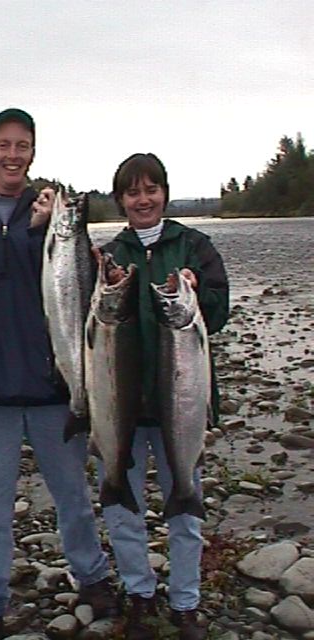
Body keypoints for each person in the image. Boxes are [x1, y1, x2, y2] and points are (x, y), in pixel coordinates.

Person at [0, 108, 118, 640]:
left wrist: (44, 230)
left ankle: (92, 576)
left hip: (55, 387)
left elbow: (79, 286)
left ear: (33, 151)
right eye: (2, 145)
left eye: (21, 145)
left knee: (73, 494)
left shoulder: (53, 213)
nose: (12, 154)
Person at [98, 152, 229, 640]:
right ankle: (139, 593)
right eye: (133, 192)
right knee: (121, 506)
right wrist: (104, 286)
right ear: (121, 201)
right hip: (123, 406)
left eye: (151, 189)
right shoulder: (110, 255)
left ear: (165, 194)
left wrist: (196, 290)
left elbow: (218, 311)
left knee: (186, 501)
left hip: (184, 406)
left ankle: (185, 602)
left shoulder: (196, 246)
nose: (143, 199)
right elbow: (94, 322)